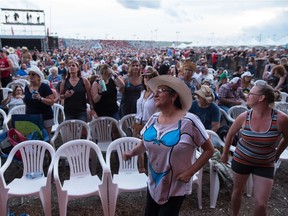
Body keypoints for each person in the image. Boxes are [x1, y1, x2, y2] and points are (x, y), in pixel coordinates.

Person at [123, 75, 214, 216]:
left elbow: (209, 150)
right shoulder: (153, 118)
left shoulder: (189, 121)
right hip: (154, 181)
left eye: (162, 90)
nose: (156, 93)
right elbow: (144, 143)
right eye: (155, 91)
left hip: (176, 185)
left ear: (173, 96)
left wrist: (189, 173)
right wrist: (131, 153)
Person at [221, 83, 288, 216]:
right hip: (241, 159)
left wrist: (276, 154)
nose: (247, 95)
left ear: (261, 98)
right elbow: (230, 134)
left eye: (251, 94)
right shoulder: (244, 116)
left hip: (265, 163)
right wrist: (225, 154)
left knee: (262, 204)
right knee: (237, 191)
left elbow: (287, 138)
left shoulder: (281, 119)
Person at [133, 66, 159, 173]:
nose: (147, 79)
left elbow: (160, 113)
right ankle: (141, 171)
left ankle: (154, 173)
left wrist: (147, 126)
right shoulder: (142, 92)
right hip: (138, 123)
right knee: (138, 148)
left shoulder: (157, 94)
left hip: (151, 126)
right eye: (145, 77)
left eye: (150, 77)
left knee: (151, 152)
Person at [23, 66, 54, 136]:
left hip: (45, 117)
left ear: (38, 76)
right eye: (29, 74)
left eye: (33, 74)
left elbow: (51, 102)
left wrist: (41, 98)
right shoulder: (27, 87)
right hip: (31, 117)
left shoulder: (44, 87)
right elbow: (27, 103)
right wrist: (26, 115)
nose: (30, 76)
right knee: (33, 138)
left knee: (46, 138)